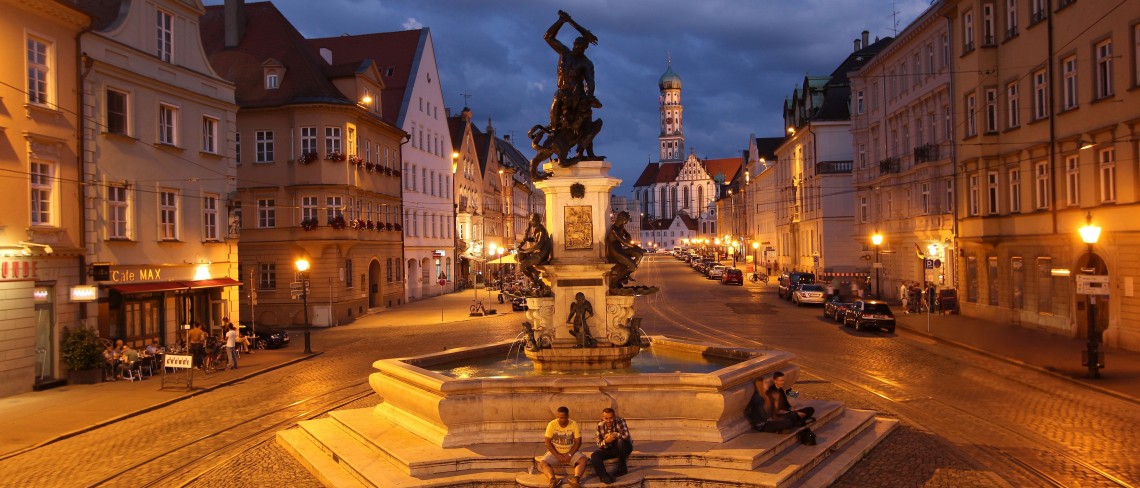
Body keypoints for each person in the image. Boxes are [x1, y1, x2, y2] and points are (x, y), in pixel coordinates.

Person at [538, 406, 588, 488]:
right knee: (543, 462)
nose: (559, 419)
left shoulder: (573, 424)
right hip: (555, 452)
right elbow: (547, 442)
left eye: (562, 418)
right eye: (558, 417)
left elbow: (578, 442)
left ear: (567, 417)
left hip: (571, 451)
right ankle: (553, 480)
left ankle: (575, 479)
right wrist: (557, 454)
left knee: (583, 460)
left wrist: (570, 454)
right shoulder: (552, 424)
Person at [590, 407, 633, 483]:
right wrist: (606, 441)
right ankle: (604, 476)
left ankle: (622, 467)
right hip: (610, 448)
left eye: (611, 418)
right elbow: (599, 444)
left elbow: (626, 436)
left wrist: (614, 435)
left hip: (624, 447)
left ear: (614, 416)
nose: (608, 421)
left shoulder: (620, 421)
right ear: (603, 418)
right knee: (595, 455)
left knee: (620, 442)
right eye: (606, 418)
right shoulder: (600, 425)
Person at [605, 211, 646, 289]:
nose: (626, 223)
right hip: (615, 252)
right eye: (626, 220)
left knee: (639, 255)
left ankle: (625, 274)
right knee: (633, 266)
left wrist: (628, 236)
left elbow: (627, 235)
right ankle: (615, 281)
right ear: (621, 219)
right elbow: (624, 242)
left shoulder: (621, 227)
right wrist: (638, 248)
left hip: (620, 249)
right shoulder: (614, 229)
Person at [517, 213, 553, 292]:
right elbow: (534, 239)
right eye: (530, 220)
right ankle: (535, 274)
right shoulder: (536, 229)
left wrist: (525, 250)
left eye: (532, 221)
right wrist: (527, 238)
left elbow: (538, 245)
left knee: (522, 265)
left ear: (537, 221)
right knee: (519, 258)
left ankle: (534, 279)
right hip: (537, 253)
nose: (530, 222)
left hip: (542, 255)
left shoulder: (542, 230)